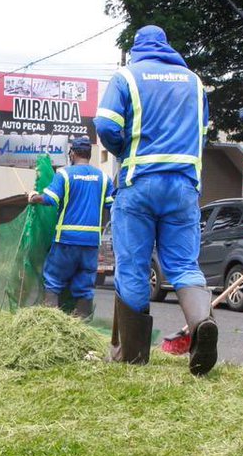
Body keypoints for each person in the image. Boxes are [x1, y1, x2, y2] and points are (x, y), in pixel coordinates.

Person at [93, 25, 218, 375]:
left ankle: (131, 356)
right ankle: (200, 324)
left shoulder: (127, 77)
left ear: (137, 49)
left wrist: (123, 150)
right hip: (183, 186)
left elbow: (105, 124)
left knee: (133, 265)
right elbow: (203, 133)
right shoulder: (194, 82)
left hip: (139, 184)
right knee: (183, 265)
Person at [27, 137, 114, 320]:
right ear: (89, 155)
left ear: (72, 153)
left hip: (66, 240)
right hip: (90, 243)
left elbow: (48, 199)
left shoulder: (64, 175)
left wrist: (33, 196)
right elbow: (112, 206)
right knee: (85, 284)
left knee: (53, 279)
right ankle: (81, 321)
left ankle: (51, 321)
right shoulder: (104, 178)